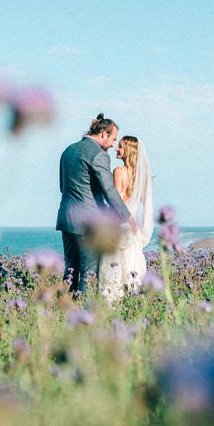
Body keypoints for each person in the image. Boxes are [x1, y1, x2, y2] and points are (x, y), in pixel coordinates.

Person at [56, 114, 137, 293]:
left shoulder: (68, 151)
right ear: (103, 134)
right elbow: (110, 192)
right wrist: (128, 217)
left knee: (70, 269)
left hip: (66, 218)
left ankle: (63, 312)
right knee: (89, 273)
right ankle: (84, 317)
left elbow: (63, 187)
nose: (113, 145)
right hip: (89, 223)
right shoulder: (99, 155)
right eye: (112, 139)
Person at [98, 136, 154, 302]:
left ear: (128, 151)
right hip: (133, 228)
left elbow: (117, 201)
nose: (116, 149)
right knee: (131, 267)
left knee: (113, 270)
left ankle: (113, 304)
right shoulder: (141, 179)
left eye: (121, 147)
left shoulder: (119, 171)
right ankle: (132, 301)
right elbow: (143, 204)